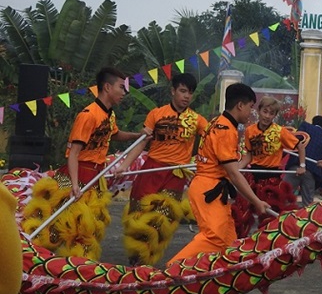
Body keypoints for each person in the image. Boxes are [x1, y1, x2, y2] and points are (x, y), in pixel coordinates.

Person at [23, 67, 146, 260]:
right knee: (58, 221)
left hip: (95, 177)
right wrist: (74, 185)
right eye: (121, 87)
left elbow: (114, 134)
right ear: (107, 87)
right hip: (75, 175)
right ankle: (32, 257)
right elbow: (73, 154)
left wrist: (138, 135)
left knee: (88, 226)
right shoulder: (88, 115)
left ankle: (78, 262)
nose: (124, 92)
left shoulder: (109, 114)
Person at [168, 83, 271, 266]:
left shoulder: (218, 122)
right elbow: (234, 174)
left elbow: (231, 167)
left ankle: (224, 277)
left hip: (211, 187)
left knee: (228, 244)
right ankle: (172, 270)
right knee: (214, 238)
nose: (251, 113)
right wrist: (256, 201)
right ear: (240, 105)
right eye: (250, 107)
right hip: (208, 189)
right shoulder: (225, 130)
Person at [117, 73, 209, 265]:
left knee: (163, 219)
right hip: (152, 170)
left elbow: (212, 140)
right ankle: (136, 257)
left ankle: (149, 257)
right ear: (173, 91)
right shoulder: (156, 114)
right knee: (139, 214)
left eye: (190, 93)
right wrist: (124, 166)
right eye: (183, 91)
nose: (186, 96)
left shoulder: (197, 120)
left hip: (175, 175)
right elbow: (141, 143)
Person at [234, 96, 306, 236]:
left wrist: (302, 165)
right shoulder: (250, 131)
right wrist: (239, 167)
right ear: (259, 111)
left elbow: (300, 146)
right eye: (265, 111)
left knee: (270, 216)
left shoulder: (280, 131)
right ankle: (240, 241)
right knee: (242, 212)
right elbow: (250, 154)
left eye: (271, 113)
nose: (267, 116)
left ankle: (267, 242)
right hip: (253, 176)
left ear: (275, 115)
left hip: (271, 179)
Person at [284, 115, 322, 207]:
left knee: (284, 197)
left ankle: (282, 215)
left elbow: (295, 141)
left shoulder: (305, 126)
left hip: (295, 167)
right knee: (308, 204)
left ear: (313, 122)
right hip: (312, 172)